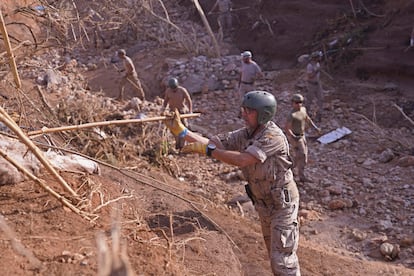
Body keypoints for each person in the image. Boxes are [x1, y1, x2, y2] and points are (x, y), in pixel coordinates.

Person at [164, 91, 301, 275]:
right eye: (243, 109)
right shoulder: (246, 134)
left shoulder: (272, 137)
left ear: (263, 114)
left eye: (249, 111)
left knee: (282, 260)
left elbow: (242, 159)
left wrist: (209, 152)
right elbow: (214, 143)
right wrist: (183, 132)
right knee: (274, 253)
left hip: (281, 205)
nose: (243, 114)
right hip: (265, 204)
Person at [285, 93, 321, 183]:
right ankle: (298, 174)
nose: (298, 104)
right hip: (296, 137)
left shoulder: (303, 110)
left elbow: (307, 119)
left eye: (300, 102)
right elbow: (287, 128)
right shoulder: (291, 115)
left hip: (302, 135)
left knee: (299, 157)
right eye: (296, 102)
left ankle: (292, 171)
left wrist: (315, 128)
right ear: (292, 103)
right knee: (302, 155)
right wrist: (293, 136)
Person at [161, 77, 193, 149]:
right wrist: (163, 109)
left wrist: (190, 111)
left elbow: (189, 100)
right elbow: (165, 101)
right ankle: (177, 144)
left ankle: (183, 145)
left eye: (175, 89)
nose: (174, 90)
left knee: (184, 127)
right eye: (172, 89)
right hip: (173, 112)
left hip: (181, 111)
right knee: (174, 129)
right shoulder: (168, 91)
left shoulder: (182, 90)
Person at [305, 51, 323, 122]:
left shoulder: (317, 64)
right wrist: (316, 71)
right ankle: (306, 114)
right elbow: (310, 76)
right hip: (311, 84)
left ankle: (319, 114)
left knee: (321, 99)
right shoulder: (310, 66)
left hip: (318, 84)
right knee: (309, 100)